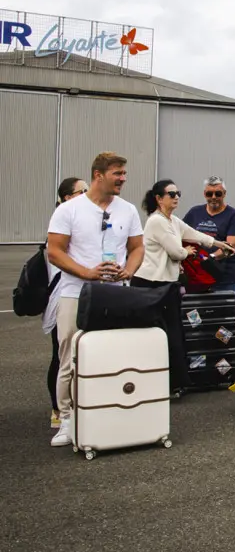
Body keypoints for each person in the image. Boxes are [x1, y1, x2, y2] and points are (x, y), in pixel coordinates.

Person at [45, 152, 145, 447]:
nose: (123, 179)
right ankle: (66, 418)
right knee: (70, 355)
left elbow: (137, 247)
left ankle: (109, 412)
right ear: (98, 175)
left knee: (113, 355)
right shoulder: (69, 210)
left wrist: (129, 269)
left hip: (116, 294)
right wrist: (87, 272)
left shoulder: (127, 210)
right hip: (75, 293)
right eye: (118, 173)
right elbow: (55, 251)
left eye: (124, 173)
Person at [133, 179, 235, 394]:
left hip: (168, 284)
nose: (176, 197)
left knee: (174, 333)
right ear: (159, 199)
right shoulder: (157, 221)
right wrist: (186, 252)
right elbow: (176, 251)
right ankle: (160, 382)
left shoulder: (172, 220)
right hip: (151, 284)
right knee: (160, 334)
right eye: (171, 194)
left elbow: (194, 234)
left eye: (178, 192)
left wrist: (219, 244)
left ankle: (175, 381)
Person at [43, 177, 87, 430]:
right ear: (68, 197)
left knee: (79, 353)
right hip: (62, 298)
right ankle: (58, 410)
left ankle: (79, 405)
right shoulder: (61, 221)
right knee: (61, 356)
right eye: (81, 191)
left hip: (81, 296)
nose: (86, 195)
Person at [183, 176, 235, 295]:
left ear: (224, 194)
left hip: (226, 278)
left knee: (224, 312)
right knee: (198, 312)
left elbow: (230, 247)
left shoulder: (234, 216)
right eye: (209, 194)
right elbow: (181, 234)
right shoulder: (194, 213)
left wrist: (209, 258)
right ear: (204, 194)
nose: (214, 197)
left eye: (218, 193)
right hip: (197, 277)